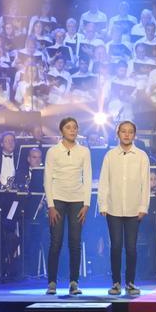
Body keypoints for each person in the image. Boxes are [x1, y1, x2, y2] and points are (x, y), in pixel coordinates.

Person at [98, 120, 151, 296]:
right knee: (115, 246)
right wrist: (103, 204)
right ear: (117, 134)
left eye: (130, 132)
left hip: (134, 209)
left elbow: (146, 183)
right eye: (123, 131)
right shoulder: (110, 156)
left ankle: (130, 282)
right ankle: (115, 283)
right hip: (113, 208)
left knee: (131, 248)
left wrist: (144, 206)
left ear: (134, 135)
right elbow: (104, 181)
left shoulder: (142, 156)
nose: (127, 134)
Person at [44, 117, 92, 295]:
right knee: (55, 242)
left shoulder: (84, 151)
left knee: (75, 242)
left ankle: (74, 282)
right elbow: (47, 179)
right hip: (57, 199)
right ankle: (52, 282)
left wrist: (86, 204)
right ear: (62, 131)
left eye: (75, 127)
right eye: (68, 127)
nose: (72, 130)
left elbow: (87, 178)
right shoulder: (53, 151)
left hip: (77, 200)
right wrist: (50, 205)